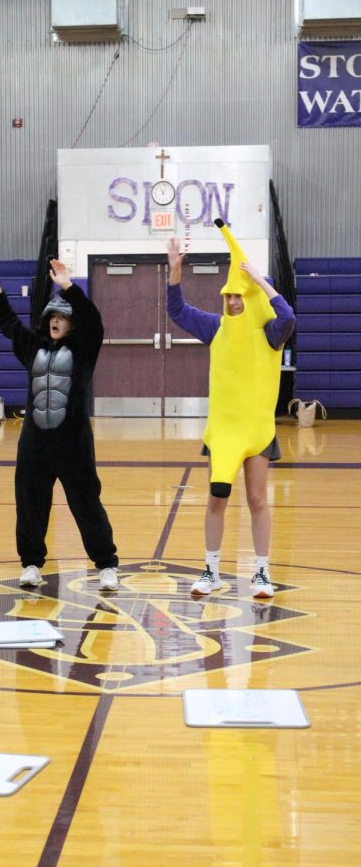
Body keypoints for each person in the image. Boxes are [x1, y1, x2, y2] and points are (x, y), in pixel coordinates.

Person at [167, 220, 295, 599]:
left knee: (257, 499)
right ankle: (211, 571)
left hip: (256, 432)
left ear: (251, 296)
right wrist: (175, 271)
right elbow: (178, 311)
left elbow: (288, 317)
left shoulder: (270, 333)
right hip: (223, 432)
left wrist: (259, 279)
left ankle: (260, 573)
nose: (234, 302)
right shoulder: (215, 327)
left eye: (240, 296)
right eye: (229, 296)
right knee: (216, 498)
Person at [0, 260, 120, 591]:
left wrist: (69, 287)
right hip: (35, 443)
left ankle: (107, 564)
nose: (56, 321)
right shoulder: (33, 348)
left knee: (86, 503)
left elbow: (94, 322)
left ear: (71, 324)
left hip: (74, 444)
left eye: (63, 317)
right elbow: (9, 324)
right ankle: (30, 563)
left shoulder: (84, 349)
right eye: (52, 317)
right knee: (30, 504)